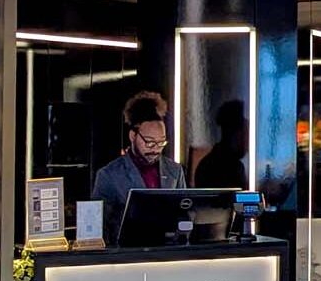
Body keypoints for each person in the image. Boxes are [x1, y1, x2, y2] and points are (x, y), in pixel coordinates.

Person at [92, 91, 186, 243]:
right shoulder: (109, 175)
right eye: (149, 142)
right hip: (127, 255)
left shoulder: (174, 171)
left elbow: (185, 213)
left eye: (161, 143)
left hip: (168, 252)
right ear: (132, 136)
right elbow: (98, 231)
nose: (155, 149)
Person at [193, 98, 249, 189]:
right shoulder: (225, 169)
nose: (248, 143)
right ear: (234, 132)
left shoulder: (207, 163)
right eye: (245, 133)